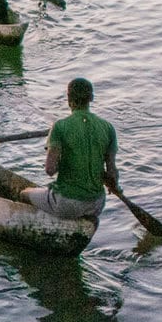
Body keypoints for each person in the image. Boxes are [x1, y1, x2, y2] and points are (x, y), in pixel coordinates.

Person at [23, 77, 116, 221]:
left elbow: (50, 170)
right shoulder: (108, 127)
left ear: (68, 98)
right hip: (97, 204)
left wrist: (62, 164)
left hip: (68, 205)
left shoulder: (60, 126)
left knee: (24, 193)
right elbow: (112, 174)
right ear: (91, 98)